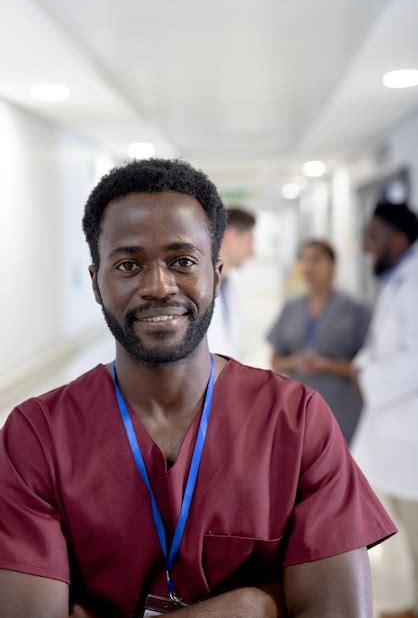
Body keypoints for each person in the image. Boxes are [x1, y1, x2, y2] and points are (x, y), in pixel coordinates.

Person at [0, 159, 396, 618]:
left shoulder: (297, 420)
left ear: (216, 272)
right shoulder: (37, 435)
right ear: (96, 283)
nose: (157, 285)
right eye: (128, 264)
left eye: (182, 260)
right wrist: (255, 605)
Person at [352, 201, 418, 618]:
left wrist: (365, 376)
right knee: (401, 546)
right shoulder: (400, 280)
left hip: (410, 441)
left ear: (397, 237)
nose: (365, 246)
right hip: (395, 442)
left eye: (373, 237)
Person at [267, 239, 371, 444]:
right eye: (303, 260)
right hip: (299, 413)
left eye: (316, 259)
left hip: (344, 415)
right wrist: (295, 362)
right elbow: (275, 360)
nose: (308, 267)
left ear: (332, 265)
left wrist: (328, 365)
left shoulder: (356, 310)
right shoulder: (291, 308)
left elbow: (369, 365)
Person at [207, 207, 255, 358]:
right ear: (231, 235)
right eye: (249, 241)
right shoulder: (202, 285)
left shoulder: (228, 286)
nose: (252, 251)